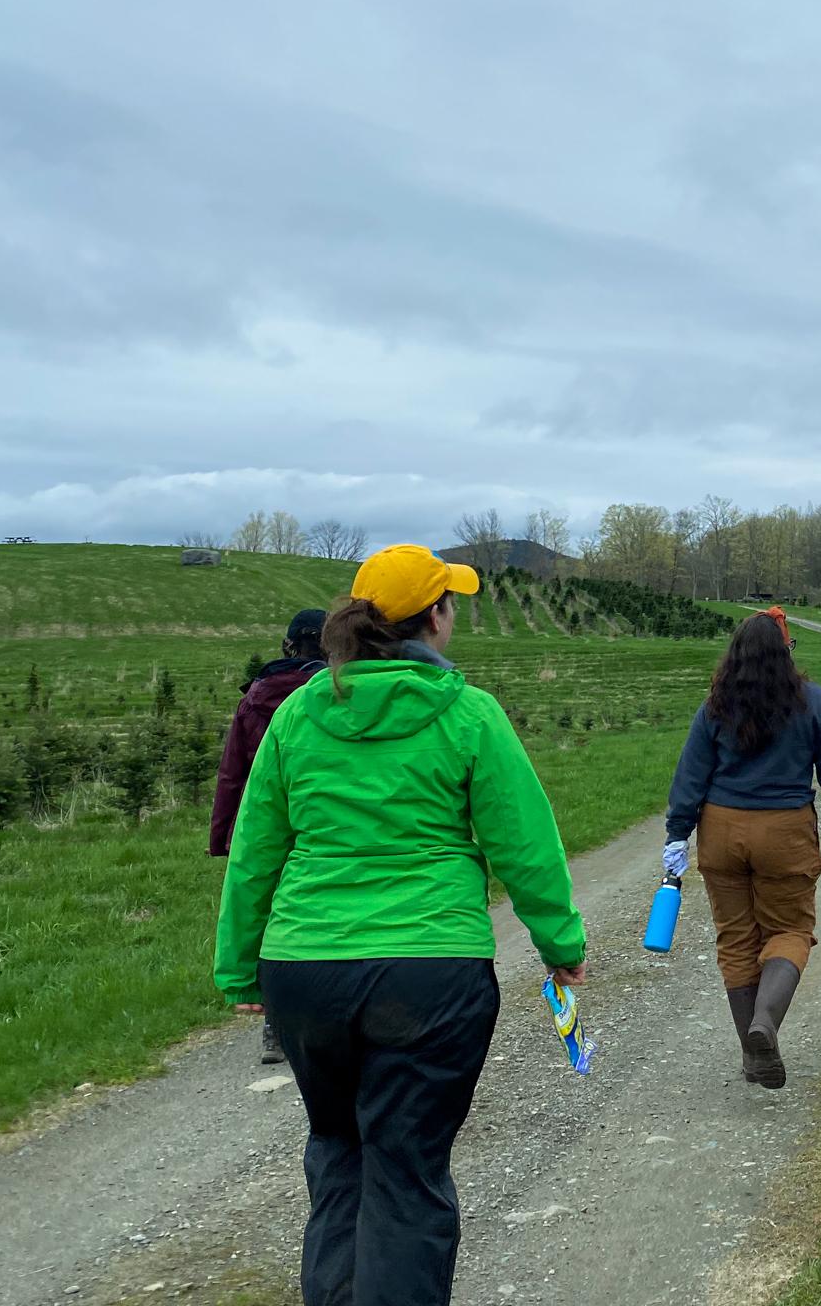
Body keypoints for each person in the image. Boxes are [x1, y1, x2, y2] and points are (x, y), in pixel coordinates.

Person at [214, 544, 586, 1306]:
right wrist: (561, 945)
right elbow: (524, 844)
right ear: (435, 619)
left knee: (338, 1149)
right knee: (406, 1168)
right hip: (430, 975)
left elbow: (255, 852)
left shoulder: (295, 714)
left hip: (305, 975)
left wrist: (240, 967)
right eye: (451, 603)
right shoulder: (467, 713)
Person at [663, 613, 821, 1089]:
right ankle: (765, 1025)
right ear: (785, 651)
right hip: (784, 832)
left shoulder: (715, 705)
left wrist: (677, 834)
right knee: (790, 929)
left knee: (735, 940)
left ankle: (754, 1057)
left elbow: (690, 774)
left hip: (721, 830)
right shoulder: (812, 702)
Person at [210, 608, 329, 1063]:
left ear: (287, 646)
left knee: (267, 912)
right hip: (315, 819)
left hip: (261, 825)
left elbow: (232, 771)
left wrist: (225, 834)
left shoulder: (255, 698)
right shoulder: (334, 694)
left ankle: (274, 1025)